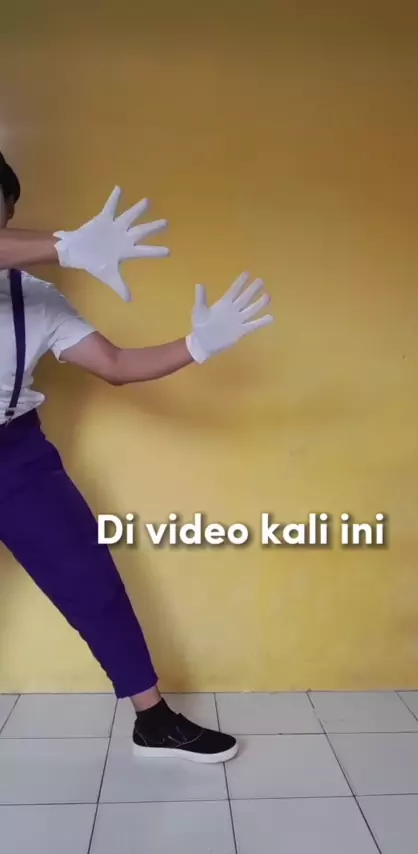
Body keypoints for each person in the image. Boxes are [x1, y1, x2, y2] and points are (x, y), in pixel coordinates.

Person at [0, 153, 274, 762]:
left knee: (88, 577)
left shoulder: (35, 300)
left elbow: (117, 365)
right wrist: (67, 245)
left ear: (9, 215)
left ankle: (153, 721)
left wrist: (196, 345)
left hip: (13, 455)